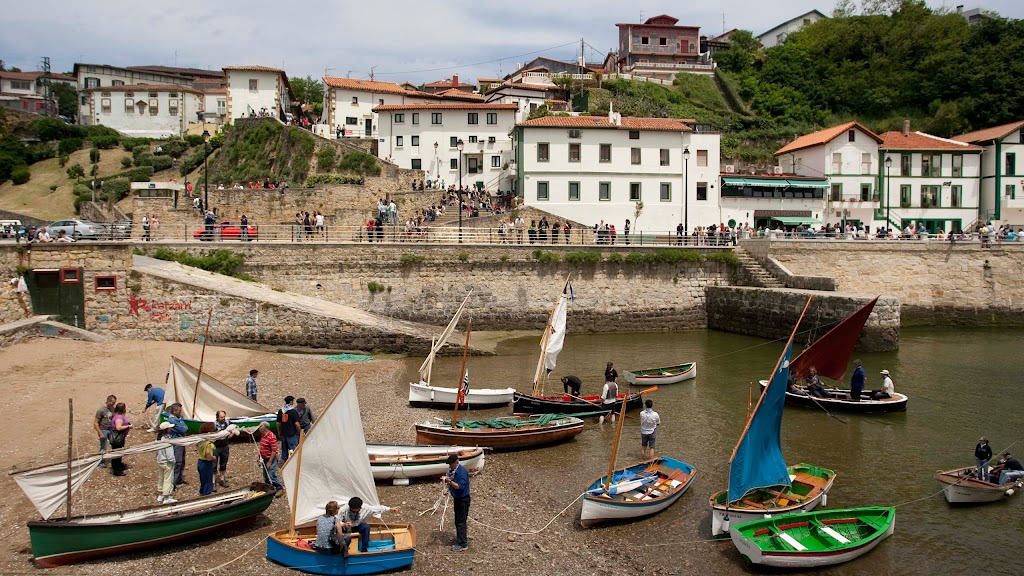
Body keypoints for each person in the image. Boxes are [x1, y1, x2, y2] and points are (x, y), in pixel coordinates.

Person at [442, 454, 470, 552]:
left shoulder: (462, 473)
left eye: (450, 464)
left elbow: (459, 486)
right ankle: (460, 538)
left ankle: (463, 544)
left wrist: (449, 481)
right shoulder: (453, 472)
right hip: (457, 499)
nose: (449, 466)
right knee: (458, 520)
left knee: (461, 521)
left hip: (463, 500)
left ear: (455, 463)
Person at [163, 403, 188, 487]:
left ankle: (179, 479)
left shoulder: (178, 419)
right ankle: (173, 482)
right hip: (176, 442)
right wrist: (183, 426)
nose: (180, 412)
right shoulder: (173, 420)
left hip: (181, 442)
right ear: (174, 411)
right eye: (179, 411)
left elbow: (185, 427)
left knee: (182, 461)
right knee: (178, 462)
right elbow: (183, 429)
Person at [155, 421, 177, 504]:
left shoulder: (158, 439)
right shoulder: (167, 440)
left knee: (161, 478)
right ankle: (166, 497)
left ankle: (160, 494)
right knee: (168, 479)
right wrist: (173, 461)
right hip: (167, 462)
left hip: (160, 461)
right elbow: (169, 454)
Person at [257, 421, 283, 490]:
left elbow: (274, 450)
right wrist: (259, 457)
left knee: (271, 475)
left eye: (260, 427)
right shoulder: (263, 436)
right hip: (264, 459)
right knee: (265, 476)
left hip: (271, 459)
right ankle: (270, 488)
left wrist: (270, 462)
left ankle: (280, 488)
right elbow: (262, 447)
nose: (259, 428)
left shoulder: (271, 437)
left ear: (263, 428)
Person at [109, 402, 132, 476]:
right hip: (117, 438)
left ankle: (119, 466)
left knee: (118, 453)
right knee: (116, 453)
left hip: (120, 438)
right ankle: (117, 470)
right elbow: (118, 428)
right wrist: (128, 426)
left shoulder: (118, 416)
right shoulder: (119, 417)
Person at [94, 395, 116, 468]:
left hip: (111, 430)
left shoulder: (113, 409)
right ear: (108, 401)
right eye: (112, 402)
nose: (113, 404)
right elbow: (96, 423)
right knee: (103, 446)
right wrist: (100, 433)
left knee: (114, 444)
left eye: (114, 403)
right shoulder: (101, 410)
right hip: (103, 430)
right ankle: (101, 462)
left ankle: (114, 460)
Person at [277, 396, 301, 461]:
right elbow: (296, 423)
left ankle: (284, 461)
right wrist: (300, 431)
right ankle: (293, 461)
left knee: (284, 449)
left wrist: (279, 432)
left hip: (284, 433)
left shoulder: (281, 411)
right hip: (291, 434)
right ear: (291, 402)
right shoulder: (293, 412)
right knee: (293, 449)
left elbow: (278, 423)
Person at [196, 422, 217, 496]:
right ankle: (206, 497)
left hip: (200, 461)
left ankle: (202, 494)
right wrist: (213, 458)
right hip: (206, 463)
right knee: (208, 481)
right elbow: (208, 454)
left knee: (203, 481)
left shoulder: (201, 441)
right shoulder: (208, 443)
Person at [213, 410, 231, 488]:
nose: (223, 418)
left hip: (224, 446)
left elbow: (232, 431)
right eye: (221, 417)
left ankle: (222, 479)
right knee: (213, 464)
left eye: (224, 416)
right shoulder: (213, 425)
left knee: (223, 463)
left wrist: (232, 434)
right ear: (217, 417)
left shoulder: (227, 423)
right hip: (216, 447)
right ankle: (213, 482)